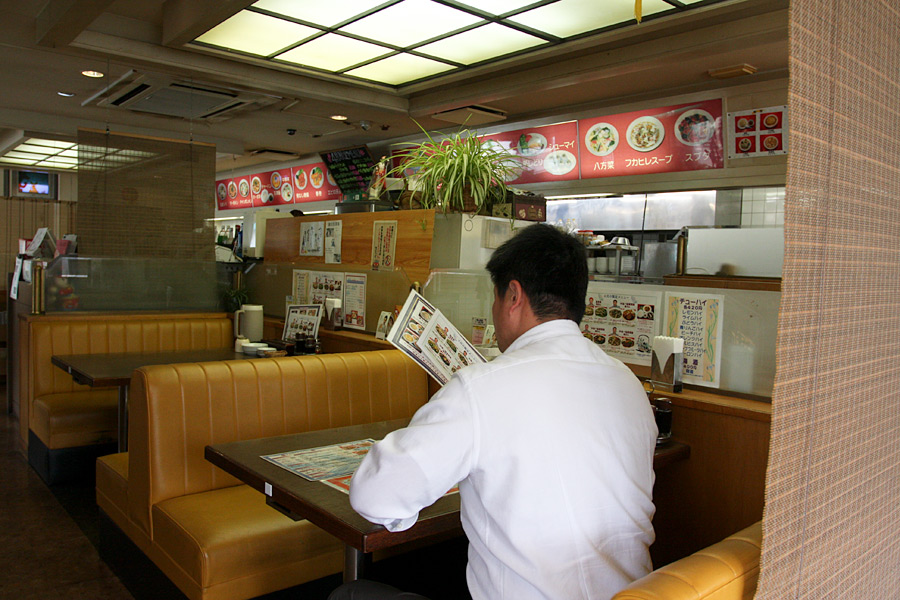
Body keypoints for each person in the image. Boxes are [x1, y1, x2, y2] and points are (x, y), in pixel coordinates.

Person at [330, 223, 657, 600]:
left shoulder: (482, 387)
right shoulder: (629, 385)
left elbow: (374, 496)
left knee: (350, 595)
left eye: (496, 297)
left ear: (513, 296)